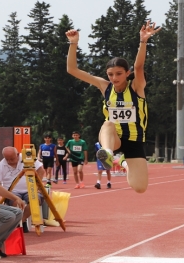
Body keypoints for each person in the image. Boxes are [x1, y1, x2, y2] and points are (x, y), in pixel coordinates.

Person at [66, 21, 161, 193]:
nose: (114, 78)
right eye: (110, 74)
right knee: (108, 123)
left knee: (140, 188)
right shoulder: (105, 87)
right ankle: (108, 154)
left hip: (134, 140)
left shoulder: (136, 87)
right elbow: (73, 70)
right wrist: (73, 43)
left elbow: (139, 66)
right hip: (113, 137)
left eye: (118, 74)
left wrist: (143, 41)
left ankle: (122, 161)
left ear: (127, 73)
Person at [0, 146, 47, 228]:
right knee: (16, 202)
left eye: (12, 159)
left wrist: (38, 186)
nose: (9, 161)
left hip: (30, 189)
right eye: (7, 159)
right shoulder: (1, 166)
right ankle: (19, 222)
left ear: (17, 155)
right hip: (12, 192)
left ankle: (21, 220)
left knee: (35, 200)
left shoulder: (27, 158)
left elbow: (41, 170)